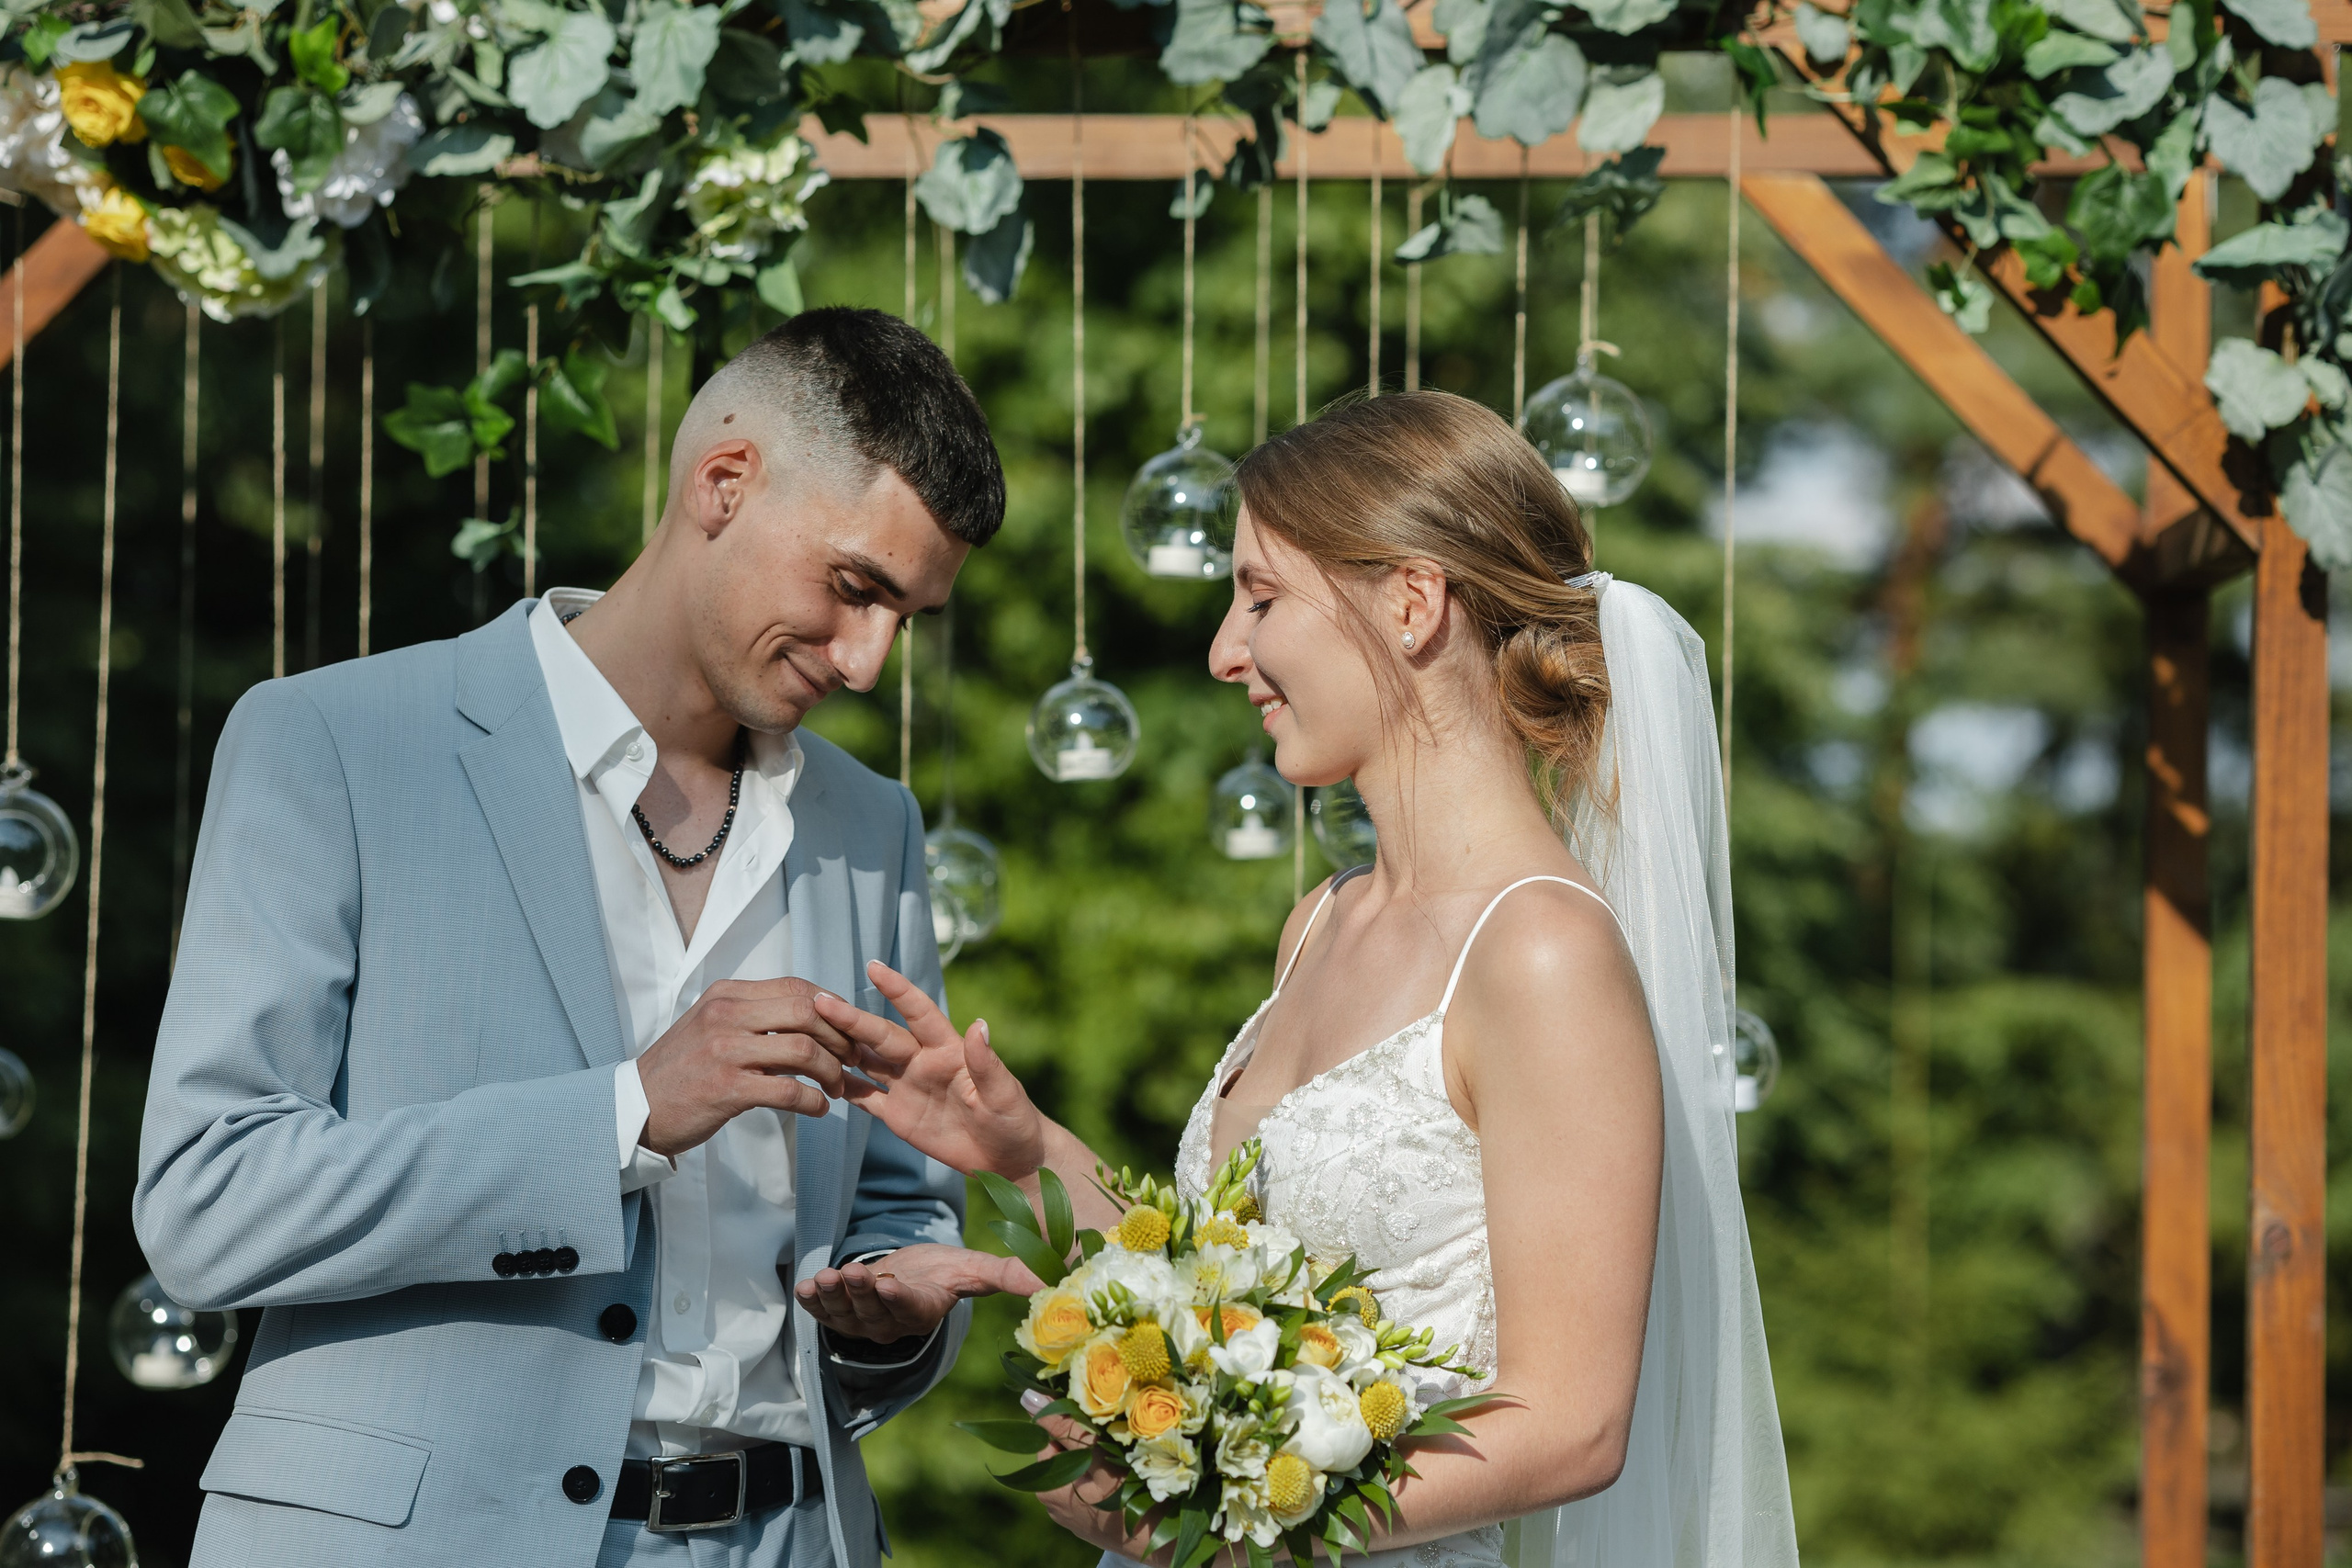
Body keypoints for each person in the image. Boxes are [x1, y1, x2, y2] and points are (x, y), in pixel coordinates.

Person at [810, 390, 1800, 1567]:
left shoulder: (1541, 953)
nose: (1225, 652)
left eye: (1262, 597)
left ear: (1412, 604)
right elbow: (1231, 1302)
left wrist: (1221, 1523)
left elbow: (1571, 1425)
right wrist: (1023, 1152)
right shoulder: (1321, 921)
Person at [134, 307, 1035, 1568]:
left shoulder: (870, 823)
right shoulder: (332, 742)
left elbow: (898, 1202)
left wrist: (890, 1317)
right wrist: (624, 1115)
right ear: (724, 482)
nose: (871, 660)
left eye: (908, 615)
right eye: (854, 588)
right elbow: (207, 1198)